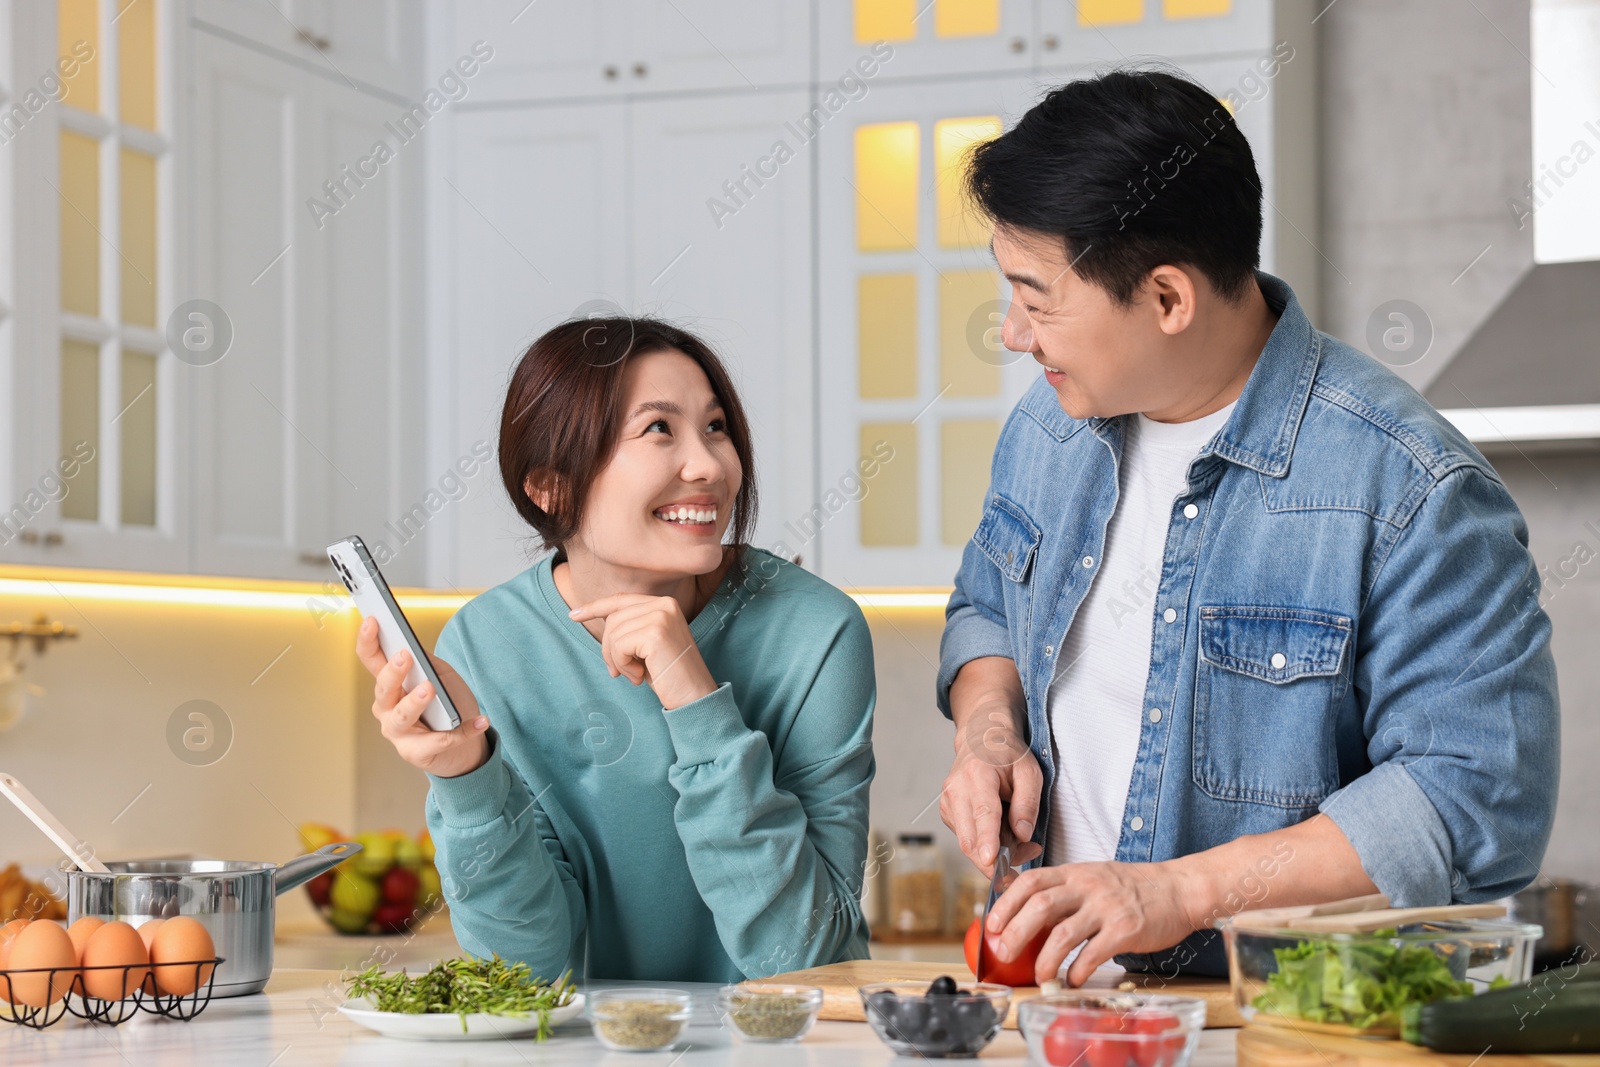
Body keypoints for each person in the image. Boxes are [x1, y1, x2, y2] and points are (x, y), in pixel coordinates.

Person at [936, 68, 1559, 985]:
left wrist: (1178, 894)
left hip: (1275, 1025)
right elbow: (987, 604)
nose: (1014, 334)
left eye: (1036, 300)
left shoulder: (1409, 486)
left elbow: (1469, 796)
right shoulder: (1045, 431)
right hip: (1057, 1020)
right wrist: (987, 728)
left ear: (1167, 299)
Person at [356, 316, 876, 982]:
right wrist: (467, 773)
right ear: (550, 487)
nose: (711, 465)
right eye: (660, 429)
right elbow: (523, 969)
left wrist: (693, 695)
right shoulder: (488, 645)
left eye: (715, 427)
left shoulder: (815, 631)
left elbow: (811, 963)